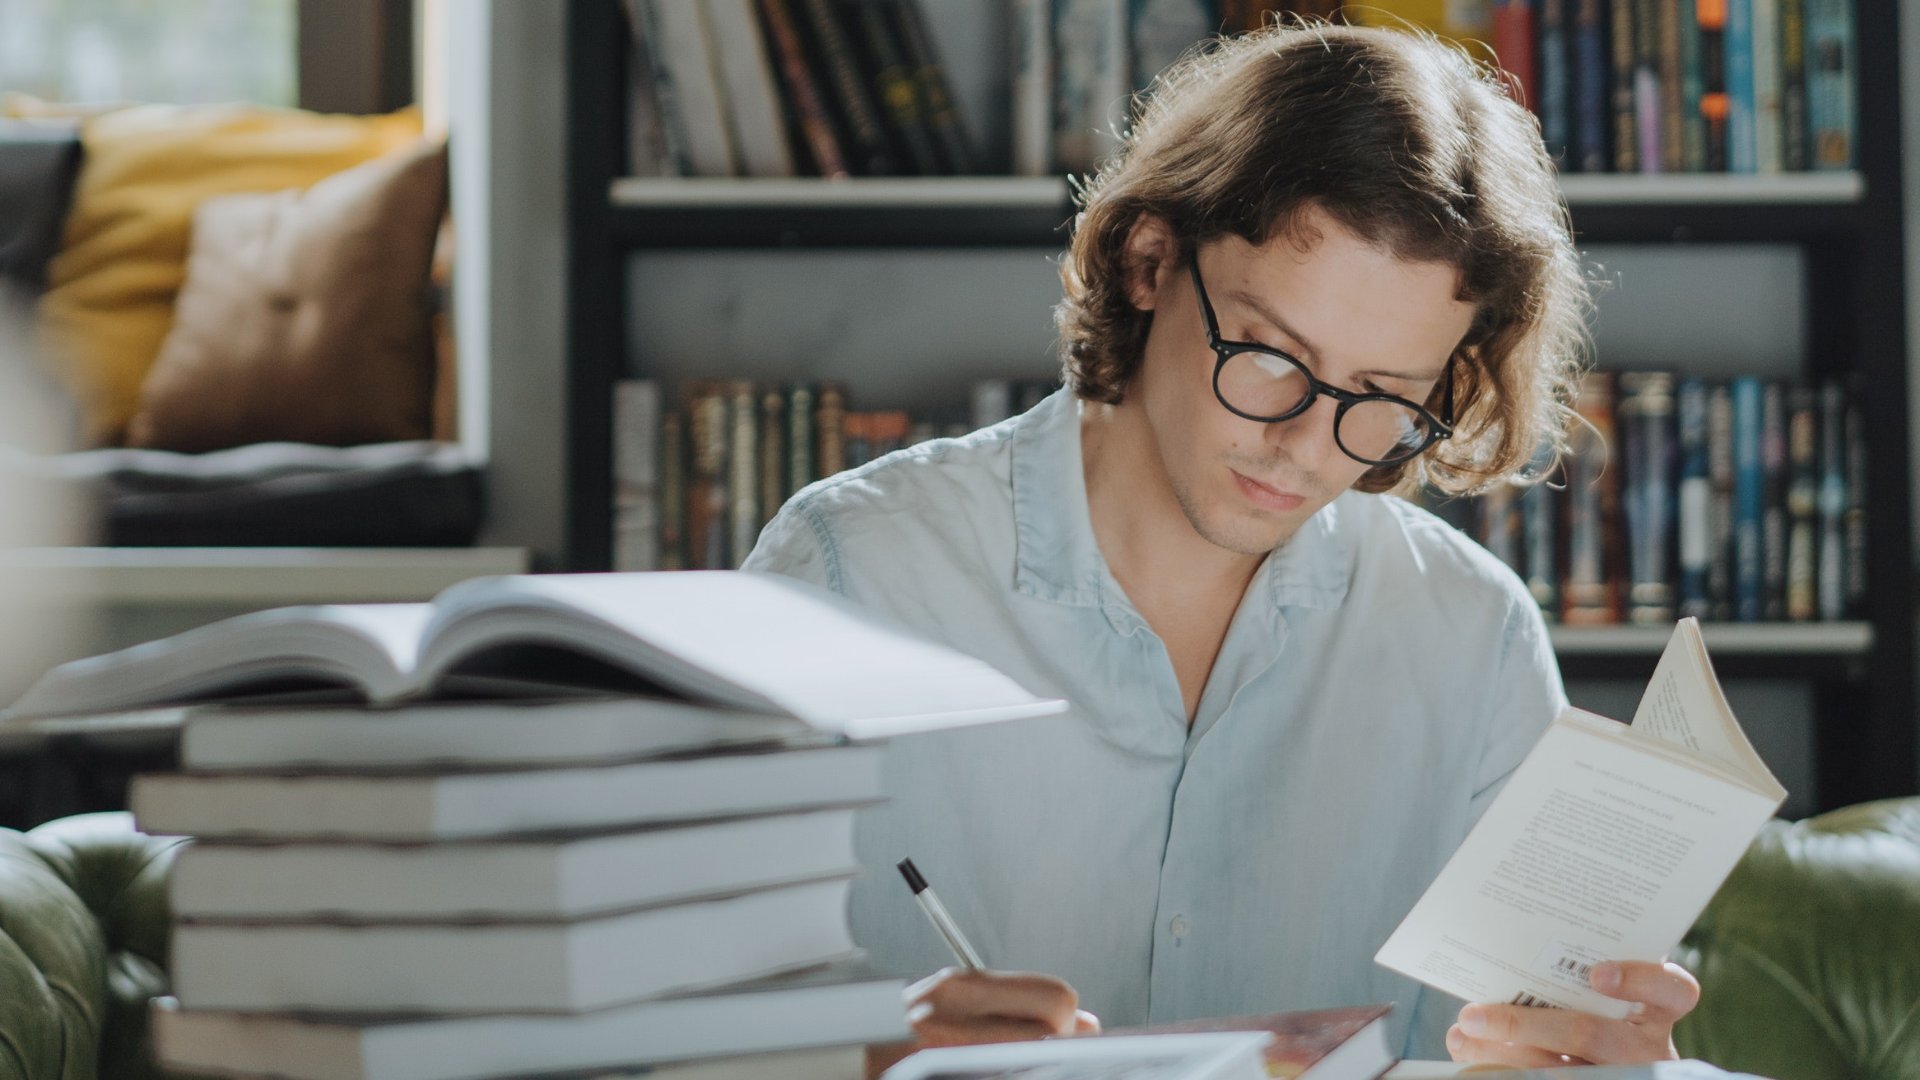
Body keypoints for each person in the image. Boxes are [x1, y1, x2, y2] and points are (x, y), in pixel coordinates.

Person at [741, 20, 1700, 1073]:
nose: (1300, 444)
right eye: (1270, 355)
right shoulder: (847, 574)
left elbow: (1522, 1044)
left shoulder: (1469, 639)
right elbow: (665, 1031)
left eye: (1383, 398)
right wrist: (859, 1059)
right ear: (1151, 261)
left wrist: (1604, 1057)